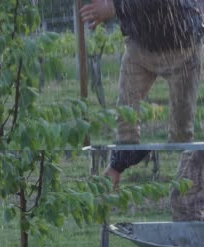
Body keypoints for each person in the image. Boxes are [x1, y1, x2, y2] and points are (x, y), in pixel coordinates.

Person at [80, 0, 204, 218]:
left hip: (184, 48)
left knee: (181, 135)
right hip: (139, 48)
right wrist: (118, 164)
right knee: (125, 122)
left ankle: (186, 204)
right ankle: (115, 169)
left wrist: (114, 7)